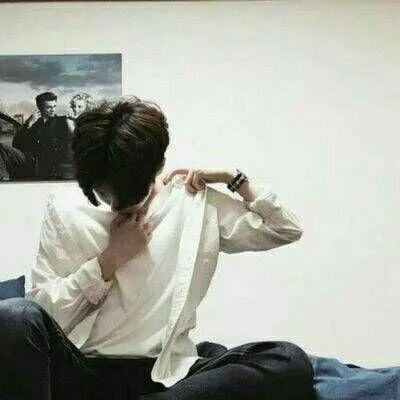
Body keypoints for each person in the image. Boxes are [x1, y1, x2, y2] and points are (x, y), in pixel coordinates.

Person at [0, 97, 316, 399]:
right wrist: (108, 261)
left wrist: (234, 178)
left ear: (159, 164)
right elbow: (43, 317)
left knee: (287, 359)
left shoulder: (192, 202)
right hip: (84, 370)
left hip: (164, 376)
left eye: (129, 192)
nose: (116, 204)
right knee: (14, 315)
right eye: (104, 192)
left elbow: (284, 229)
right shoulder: (66, 211)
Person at [12, 91, 74, 180]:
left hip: (57, 166)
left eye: (54, 106)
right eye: (49, 107)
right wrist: (28, 125)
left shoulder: (62, 121)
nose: (53, 110)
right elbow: (16, 144)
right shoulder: (33, 123)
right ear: (40, 108)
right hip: (34, 165)